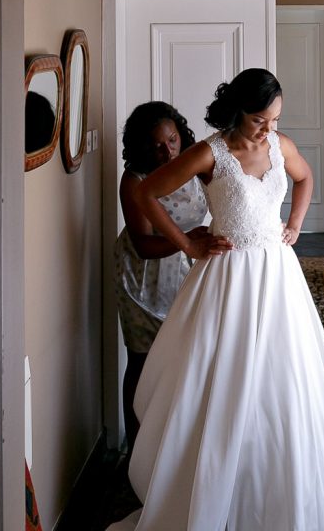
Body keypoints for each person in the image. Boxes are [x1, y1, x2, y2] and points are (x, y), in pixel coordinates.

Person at [108, 69, 324, 531]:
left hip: (278, 277)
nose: (269, 129)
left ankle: (284, 485)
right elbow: (146, 191)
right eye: (261, 119)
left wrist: (295, 224)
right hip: (228, 280)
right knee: (224, 379)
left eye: (275, 119)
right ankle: (216, 487)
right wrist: (187, 243)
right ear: (238, 111)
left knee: (286, 379)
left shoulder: (281, 147)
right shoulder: (209, 152)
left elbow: (305, 178)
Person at [113, 101, 228, 451]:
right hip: (143, 280)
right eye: (157, 145)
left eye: (173, 140)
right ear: (142, 147)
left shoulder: (192, 162)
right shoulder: (134, 181)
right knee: (143, 360)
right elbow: (145, 245)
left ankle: (176, 446)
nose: (168, 152)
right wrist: (187, 241)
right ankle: (136, 448)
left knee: (187, 359)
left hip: (188, 272)